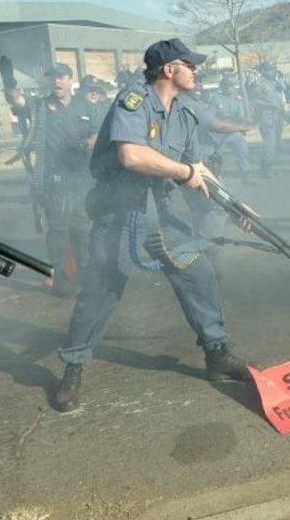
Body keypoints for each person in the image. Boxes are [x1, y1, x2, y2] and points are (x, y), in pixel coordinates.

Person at [53, 39, 256, 412]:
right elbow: (132, 156)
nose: (196, 70)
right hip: (120, 212)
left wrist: (233, 206)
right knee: (102, 289)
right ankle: (74, 367)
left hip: (160, 212)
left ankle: (217, 354)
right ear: (168, 69)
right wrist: (185, 172)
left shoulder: (184, 113)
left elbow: (200, 170)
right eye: (190, 65)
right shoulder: (132, 101)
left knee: (198, 273)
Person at [12, 64, 101, 297]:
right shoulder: (40, 105)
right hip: (54, 178)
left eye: (61, 78)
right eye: (53, 78)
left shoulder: (87, 106)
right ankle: (61, 281)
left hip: (82, 175)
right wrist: (8, 81)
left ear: (71, 80)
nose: (57, 82)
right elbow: (18, 101)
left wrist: (87, 142)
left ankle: (84, 278)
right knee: (59, 230)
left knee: (82, 228)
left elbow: (98, 130)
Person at [248, 63, 286, 177]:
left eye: (274, 70)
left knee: (275, 144)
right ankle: (265, 170)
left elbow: (282, 94)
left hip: (277, 116)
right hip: (266, 116)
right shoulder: (259, 83)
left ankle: (269, 168)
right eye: (271, 70)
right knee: (269, 143)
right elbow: (254, 101)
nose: (274, 72)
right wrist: (269, 105)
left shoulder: (275, 82)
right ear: (264, 71)